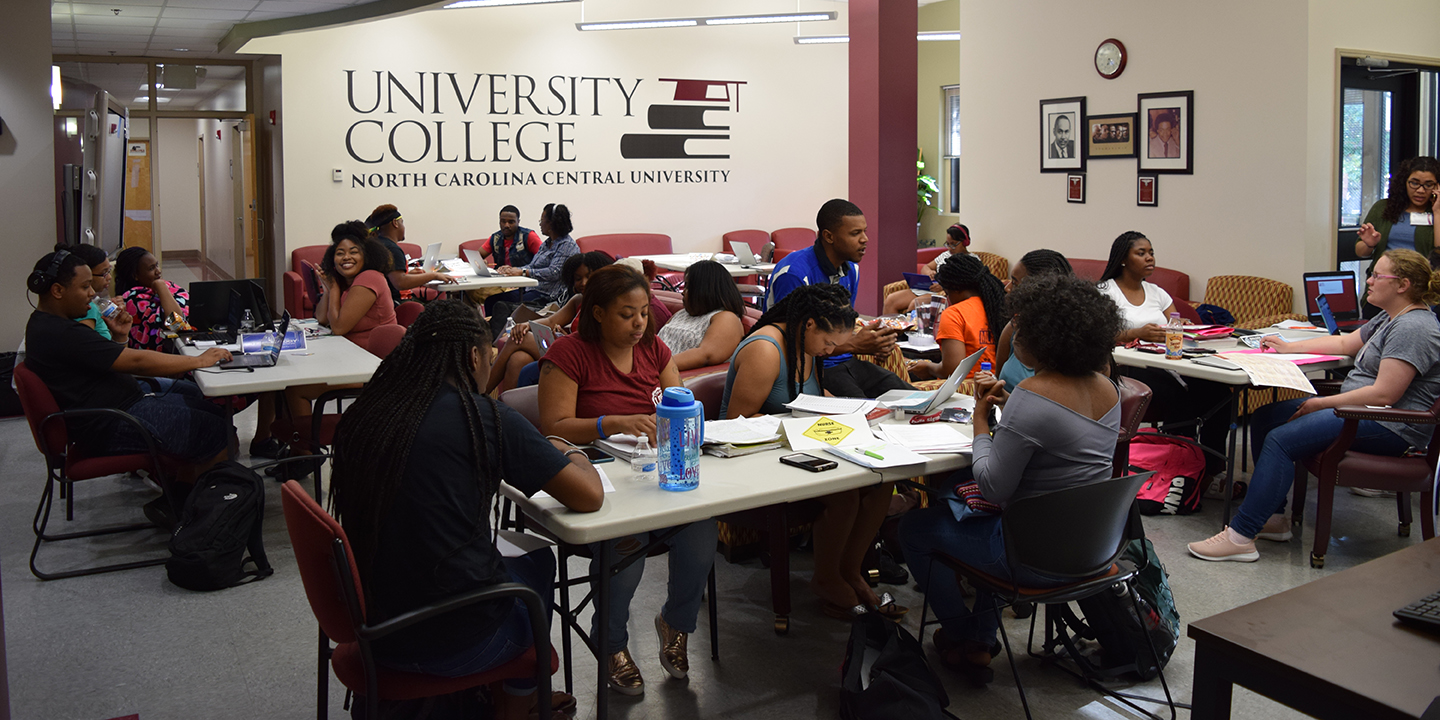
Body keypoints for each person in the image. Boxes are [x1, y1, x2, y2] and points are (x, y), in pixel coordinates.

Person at [330, 300, 602, 720]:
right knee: (537, 563)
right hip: (452, 643)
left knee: (502, 557)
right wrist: (572, 453)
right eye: (490, 356)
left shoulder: (368, 415)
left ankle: (491, 695)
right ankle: (517, 703)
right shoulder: (485, 418)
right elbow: (589, 497)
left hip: (370, 625)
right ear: (475, 356)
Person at [900, 273, 1123, 686]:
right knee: (994, 520)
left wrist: (982, 424)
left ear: (1040, 336)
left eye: (1018, 327)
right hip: (1094, 550)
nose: (1012, 336)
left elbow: (991, 486)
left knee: (914, 528)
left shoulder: (1033, 394)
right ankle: (982, 642)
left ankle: (962, 632)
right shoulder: (1107, 387)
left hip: (1035, 560)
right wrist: (1011, 415)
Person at [1188, 249, 1440, 562]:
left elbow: (1383, 395)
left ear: (1402, 285)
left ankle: (1240, 537)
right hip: (1363, 411)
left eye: (1377, 275)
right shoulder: (1391, 318)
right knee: (1266, 417)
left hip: (1390, 425)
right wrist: (1287, 348)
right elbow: (1344, 343)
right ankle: (1273, 518)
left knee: (1282, 439)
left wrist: (1321, 404)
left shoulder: (1414, 328)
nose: (1370, 281)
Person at [537, 265, 713, 697]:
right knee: (626, 546)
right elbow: (552, 428)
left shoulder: (654, 350)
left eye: (642, 314)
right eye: (625, 314)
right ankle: (611, 641)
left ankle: (676, 621)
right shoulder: (568, 355)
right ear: (596, 313)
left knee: (703, 528)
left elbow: (678, 404)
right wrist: (610, 421)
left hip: (653, 468)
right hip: (597, 476)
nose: (639, 324)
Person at [720, 283, 908, 619]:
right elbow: (737, 422)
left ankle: (848, 572)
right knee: (845, 493)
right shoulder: (765, 350)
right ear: (809, 325)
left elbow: (810, 394)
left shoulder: (804, 344)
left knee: (880, 483)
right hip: (749, 459)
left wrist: (856, 412)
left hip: (792, 448)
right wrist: (799, 427)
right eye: (829, 342)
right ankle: (826, 578)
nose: (830, 350)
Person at [23, 249, 234, 494]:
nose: (93, 294)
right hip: (109, 423)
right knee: (218, 432)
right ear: (57, 290)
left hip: (114, 409)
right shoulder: (62, 333)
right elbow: (135, 362)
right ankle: (198, 511)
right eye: (85, 287)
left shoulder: (49, 325)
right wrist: (198, 361)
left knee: (212, 413)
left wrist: (121, 337)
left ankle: (179, 498)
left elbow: (109, 359)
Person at [1099, 231, 1231, 479]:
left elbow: (1178, 325)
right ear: (1123, 260)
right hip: (1127, 367)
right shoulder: (1106, 291)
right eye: (1141, 253)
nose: (1150, 258)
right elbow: (1097, 332)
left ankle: (1211, 470)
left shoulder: (1157, 292)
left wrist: (1192, 333)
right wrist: (1135, 333)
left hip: (1168, 363)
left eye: (1151, 253)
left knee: (1220, 394)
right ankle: (1175, 471)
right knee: (1179, 396)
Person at [767, 198, 914, 399]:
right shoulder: (794, 274)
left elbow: (842, 329)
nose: (865, 239)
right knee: (864, 416)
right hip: (812, 370)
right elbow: (793, 344)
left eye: (864, 231)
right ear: (829, 236)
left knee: (915, 401)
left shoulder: (851, 270)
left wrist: (874, 342)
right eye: (855, 233)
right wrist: (855, 345)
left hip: (846, 362)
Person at [487, 251, 615, 394]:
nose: (583, 283)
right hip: (568, 349)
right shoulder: (578, 300)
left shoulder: (607, 305)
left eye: (589, 277)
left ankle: (481, 393)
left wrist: (567, 338)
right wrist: (527, 325)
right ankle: (506, 412)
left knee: (517, 339)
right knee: (518, 359)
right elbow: (551, 320)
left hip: (582, 358)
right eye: (578, 278)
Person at [1355, 156, 1440, 310]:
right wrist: (1369, 244)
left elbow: (1439, 253)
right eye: (1414, 183)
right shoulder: (1383, 208)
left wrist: (1437, 212)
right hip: (1383, 289)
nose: (1420, 190)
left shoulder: (1436, 213)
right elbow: (1359, 251)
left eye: (1428, 185)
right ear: (1404, 182)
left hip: (1421, 292)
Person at [909, 254, 1008, 380]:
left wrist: (928, 367)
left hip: (965, 388)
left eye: (947, 293)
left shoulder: (954, 314)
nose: (947, 298)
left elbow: (952, 370)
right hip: (999, 384)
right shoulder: (999, 304)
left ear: (955, 289)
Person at [995, 249, 1074, 391]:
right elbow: (998, 386)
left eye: (1015, 283)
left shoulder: (1074, 344)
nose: (1007, 288)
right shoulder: (1012, 328)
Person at [657, 260, 746, 371]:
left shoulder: (726, 318)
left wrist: (653, 368)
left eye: (688, 287)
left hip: (673, 377)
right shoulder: (682, 313)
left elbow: (705, 355)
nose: (683, 292)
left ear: (705, 290)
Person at [364, 204, 456, 306]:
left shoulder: (379, 244)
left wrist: (409, 274)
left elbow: (388, 277)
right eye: (402, 222)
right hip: (399, 305)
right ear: (395, 223)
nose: (403, 226)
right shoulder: (392, 249)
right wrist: (434, 275)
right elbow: (400, 283)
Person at [881, 223, 974, 315]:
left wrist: (945, 286)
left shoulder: (972, 260)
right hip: (929, 288)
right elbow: (926, 267)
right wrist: (929, 272)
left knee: (915, 303)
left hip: (945, 293)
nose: (950, 248)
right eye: (947, 244)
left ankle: (906, 328)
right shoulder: (945, 255)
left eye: (953, 244)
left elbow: (968, 283)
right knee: (890, 300)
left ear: (965, 242)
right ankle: (891, 329)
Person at [501, 203, 579, 306]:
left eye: (541, 221)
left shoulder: (567, 245)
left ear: (551, 224)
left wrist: (523, 272)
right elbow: (532, 266)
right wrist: (512, 270)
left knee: (502, 304)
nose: (540, 224)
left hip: (550, 296)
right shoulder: (547, 243)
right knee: (492, 300)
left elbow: (554, 272)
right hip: (533, 289)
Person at [114, 246, 188, 352]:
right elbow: (177, 325)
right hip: (164, 356)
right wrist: (161, 286)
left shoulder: (168, 286)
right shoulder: (133, 299)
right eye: (151, 268)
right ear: (135, 276)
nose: (158, 271)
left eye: (157, 265)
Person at [480, 205, 547, 316]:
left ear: (518, 222)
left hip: (525, 286)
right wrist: (482, 262)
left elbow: (543, 261)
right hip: (502, 283)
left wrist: (518, 270)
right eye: (503, 221)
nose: (506, 225)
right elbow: (478, 255)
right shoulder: (496, 238)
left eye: (511, 222)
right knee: (472, 294)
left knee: (493, 301)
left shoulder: (528, 236)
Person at [61, 243, 126, 342]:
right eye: (104, 273)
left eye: (109, 271)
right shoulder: (88, 308)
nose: (109, 277)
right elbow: (85, 347)